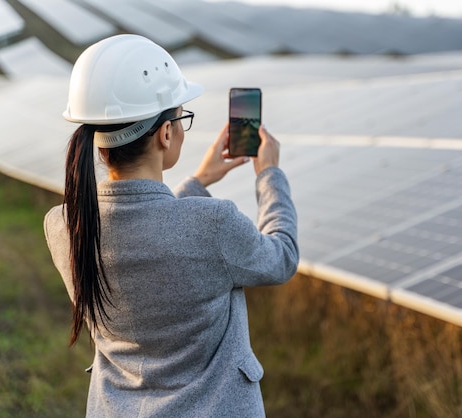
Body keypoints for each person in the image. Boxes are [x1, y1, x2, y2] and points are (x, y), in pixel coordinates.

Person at [43, 34, 298, 417]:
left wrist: (198, 181)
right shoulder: (214, 225)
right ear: (165, 133)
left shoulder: (64, 226)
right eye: (181, 118)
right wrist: (270, 174)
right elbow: (283, 256)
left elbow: (146, 229)